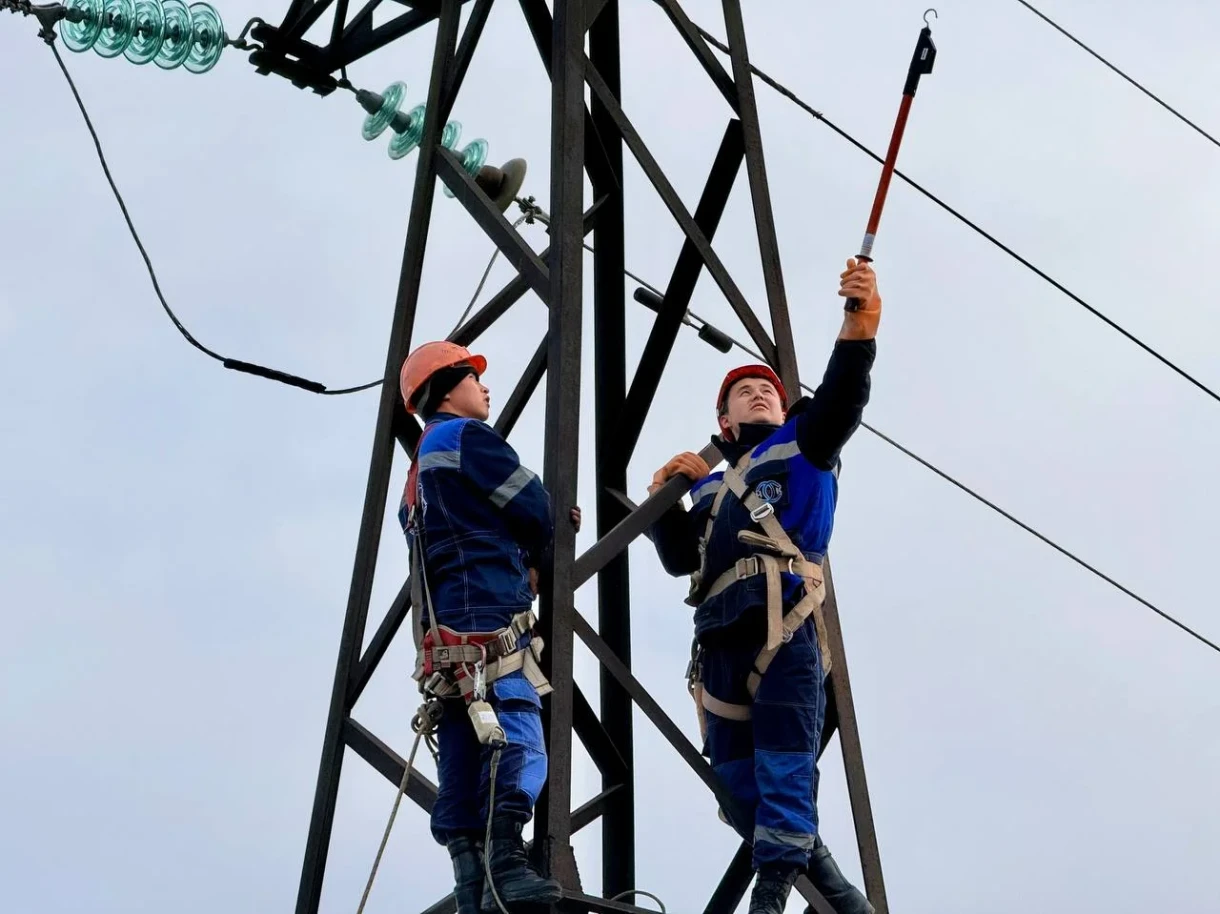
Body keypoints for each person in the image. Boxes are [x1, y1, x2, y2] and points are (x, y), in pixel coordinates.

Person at [646, 259, 882, 914]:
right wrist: (665, 494)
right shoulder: (714, 493)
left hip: (783, 626)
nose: (758, 394)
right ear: (723, 421)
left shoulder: (804, 445)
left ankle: (771, 899)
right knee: (737, 788)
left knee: (784, 763)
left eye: (766, 389)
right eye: (742, 391)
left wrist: (859, 322)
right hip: (720, 639)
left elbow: (842, 395)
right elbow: (675, 557)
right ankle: (839, 898)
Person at [397, 340, 580, 914]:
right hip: (488, 619)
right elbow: (534, 507)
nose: (485, 389)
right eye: (475, 378)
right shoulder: (466, 439)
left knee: (460, 750)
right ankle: (507, 863)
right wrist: (546, 527)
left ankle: (472, 886)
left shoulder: (415, 474)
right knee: (517, 731)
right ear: (449, 389)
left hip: (444, 634)